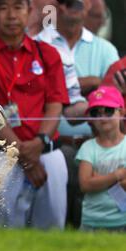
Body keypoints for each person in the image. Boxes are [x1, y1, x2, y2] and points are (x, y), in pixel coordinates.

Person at [0, 0, 70, 229]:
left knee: (53, 230)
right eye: (2, 8)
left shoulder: (48, 54)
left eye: (18, 7)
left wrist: (39, 143)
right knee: (5, 230)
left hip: (46, 151)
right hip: (4, 156)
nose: (11, 15)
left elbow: (55, 105)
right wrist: (26, 158)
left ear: (30, 11)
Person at [38, 0, 119, 227]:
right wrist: (93, 82)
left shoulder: (106, 49)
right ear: (55, 6)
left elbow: (115, 100)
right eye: (66, 3)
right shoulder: (40, 44)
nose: (72, 8)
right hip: (53, 143)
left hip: (98, 141)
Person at [76, 86, 126, 232]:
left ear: (121, 112)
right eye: (95, 113)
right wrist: (118, 175)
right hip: (91, 221)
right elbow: (85, 184)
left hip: (122, 221)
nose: (102, 117)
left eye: (108, 111)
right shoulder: (88, 147)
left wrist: (99, 179)